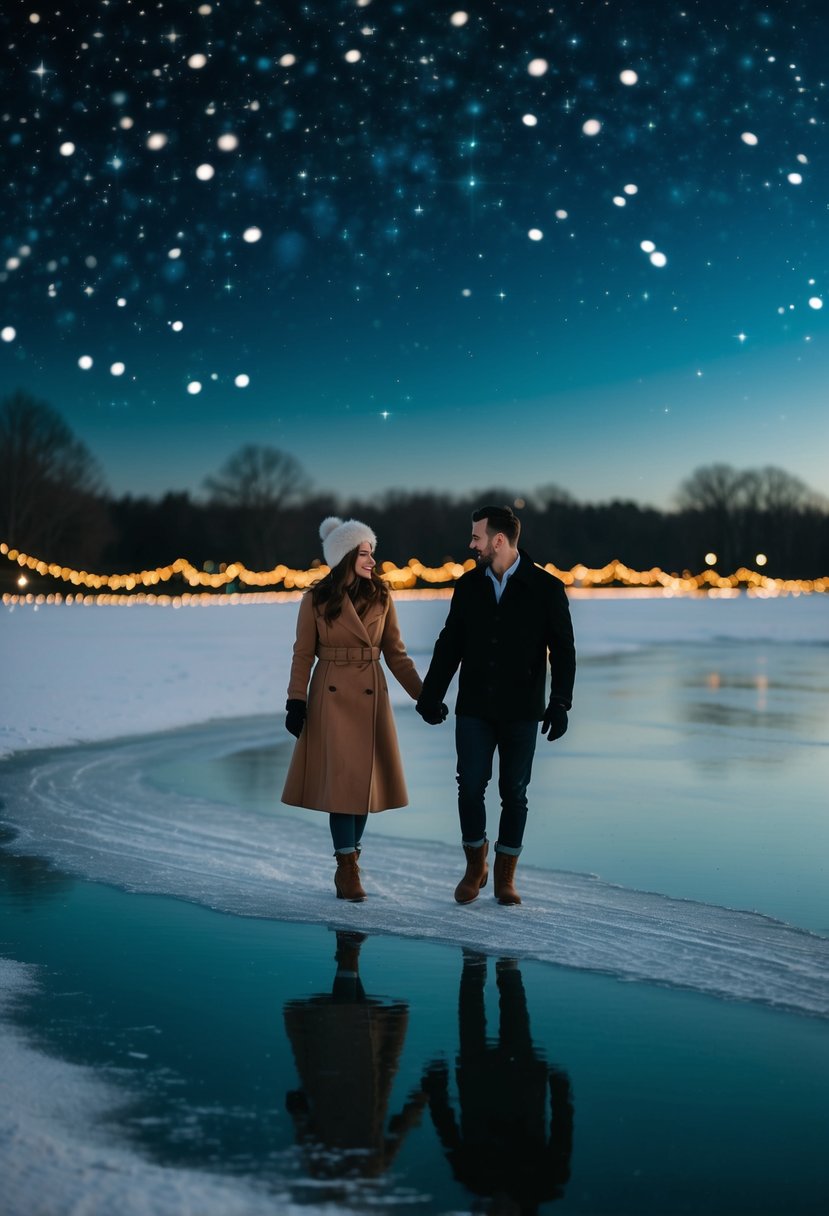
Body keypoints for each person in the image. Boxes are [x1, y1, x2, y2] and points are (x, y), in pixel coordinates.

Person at [416, 505, 575, 906]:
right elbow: (449, 644)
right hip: (475, 709)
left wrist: (560, 703)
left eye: (476, 537)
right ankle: (475, 866)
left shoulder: (546, 588)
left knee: (514, 792)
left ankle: (505, 876)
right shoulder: (468, 586)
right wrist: (430, 695)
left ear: (498, 540)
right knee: (469, 786)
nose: (471, 544)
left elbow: (564, 651)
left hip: (522, 710)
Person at [281, 516, 423, 901]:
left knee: (361, 785)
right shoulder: (315, 599)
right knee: (342, 784)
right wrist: (296, 700)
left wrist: (422, 696)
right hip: (331, 696)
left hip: (370, 693)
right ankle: (347, 869)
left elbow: (395, 654)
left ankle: (351, 859)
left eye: (372, 553)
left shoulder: (382, 595)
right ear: (345, 556)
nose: (372, 561)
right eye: (365, 553)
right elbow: (302, 654)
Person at [421, 949, 573, 1214]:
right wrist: (559, 1091)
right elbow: (562, 1134)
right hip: (522, 1086)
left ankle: (477, 962)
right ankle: (506, 962)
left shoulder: (474, 1180)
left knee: (473, 1010)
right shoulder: (546, 1183)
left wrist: (436, 1088)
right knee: (512, 1008)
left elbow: (448, 1131)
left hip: (479, 1086)